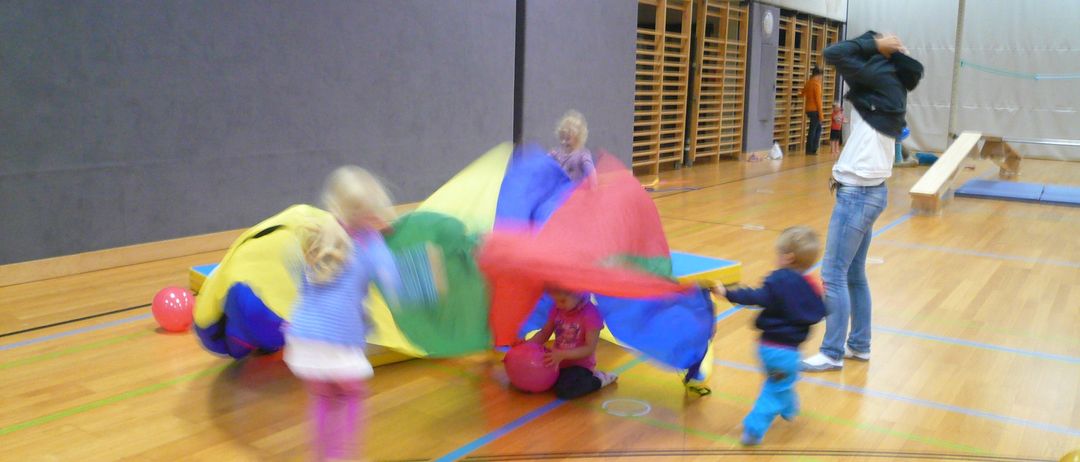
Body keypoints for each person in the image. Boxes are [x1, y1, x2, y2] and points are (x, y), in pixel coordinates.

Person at [801, 31, 923, 372]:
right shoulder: (892, 81)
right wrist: (880, 47)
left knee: (834, 274)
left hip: (857, 194)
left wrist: (874, 44)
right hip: (871, 192)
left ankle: (831, 352)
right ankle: (860, 345)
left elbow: (834, 51)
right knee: (854, 273)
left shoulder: (879, 76)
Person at [284, 166, 399, 461]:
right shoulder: (371, 244)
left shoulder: (322, 235)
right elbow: (394, 285)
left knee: (323, 396)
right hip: (337, 341)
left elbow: (299, 276)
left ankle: (322, 456)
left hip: (303, 339)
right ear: (373, 211)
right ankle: (343, 457)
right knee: (350, 395)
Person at [710, 226, 825, 446]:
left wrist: (727, 292)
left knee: (779, 382)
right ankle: (754, 427)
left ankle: (789, 407)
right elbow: (818, 312)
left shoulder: (779, 280)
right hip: (787, 354)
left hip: (766, 348)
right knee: (775, 388)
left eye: (778, 254)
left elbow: (755, 296)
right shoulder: (810, 287)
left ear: (788, 257)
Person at [526, 288, 617, 399]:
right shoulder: (557, 308)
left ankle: (599, 379)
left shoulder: (591, 315)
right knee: (535, 381)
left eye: (563, 301)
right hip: (557, 362)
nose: (559, 305)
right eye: (556, 301)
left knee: (566, 391)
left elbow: (589, 348)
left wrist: (562, 354)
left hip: (580, 366)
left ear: (579, 293)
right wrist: (527, 346)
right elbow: (545, 333)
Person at [549, 110, 597, 186]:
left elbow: (590, 172)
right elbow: (544, 163)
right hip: (560, 192)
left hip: (575, 193)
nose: (564, 142)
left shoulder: (582, 155)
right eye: (562, 138)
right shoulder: (557, 154)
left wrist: (593, 188)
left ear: (577, 139)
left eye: (568, 139)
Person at [801, 67, 824, 155]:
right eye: (821, 76)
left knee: (816, 129)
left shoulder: (809, 82)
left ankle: (812, 149)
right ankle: (811, 149)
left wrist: (798, 94)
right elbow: (818, 100)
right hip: (815, 110)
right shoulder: (816, 84)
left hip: (809, 109)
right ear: (818, 75)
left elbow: (803, 93)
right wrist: (821, 114)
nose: (821, 78)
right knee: (814, 130)